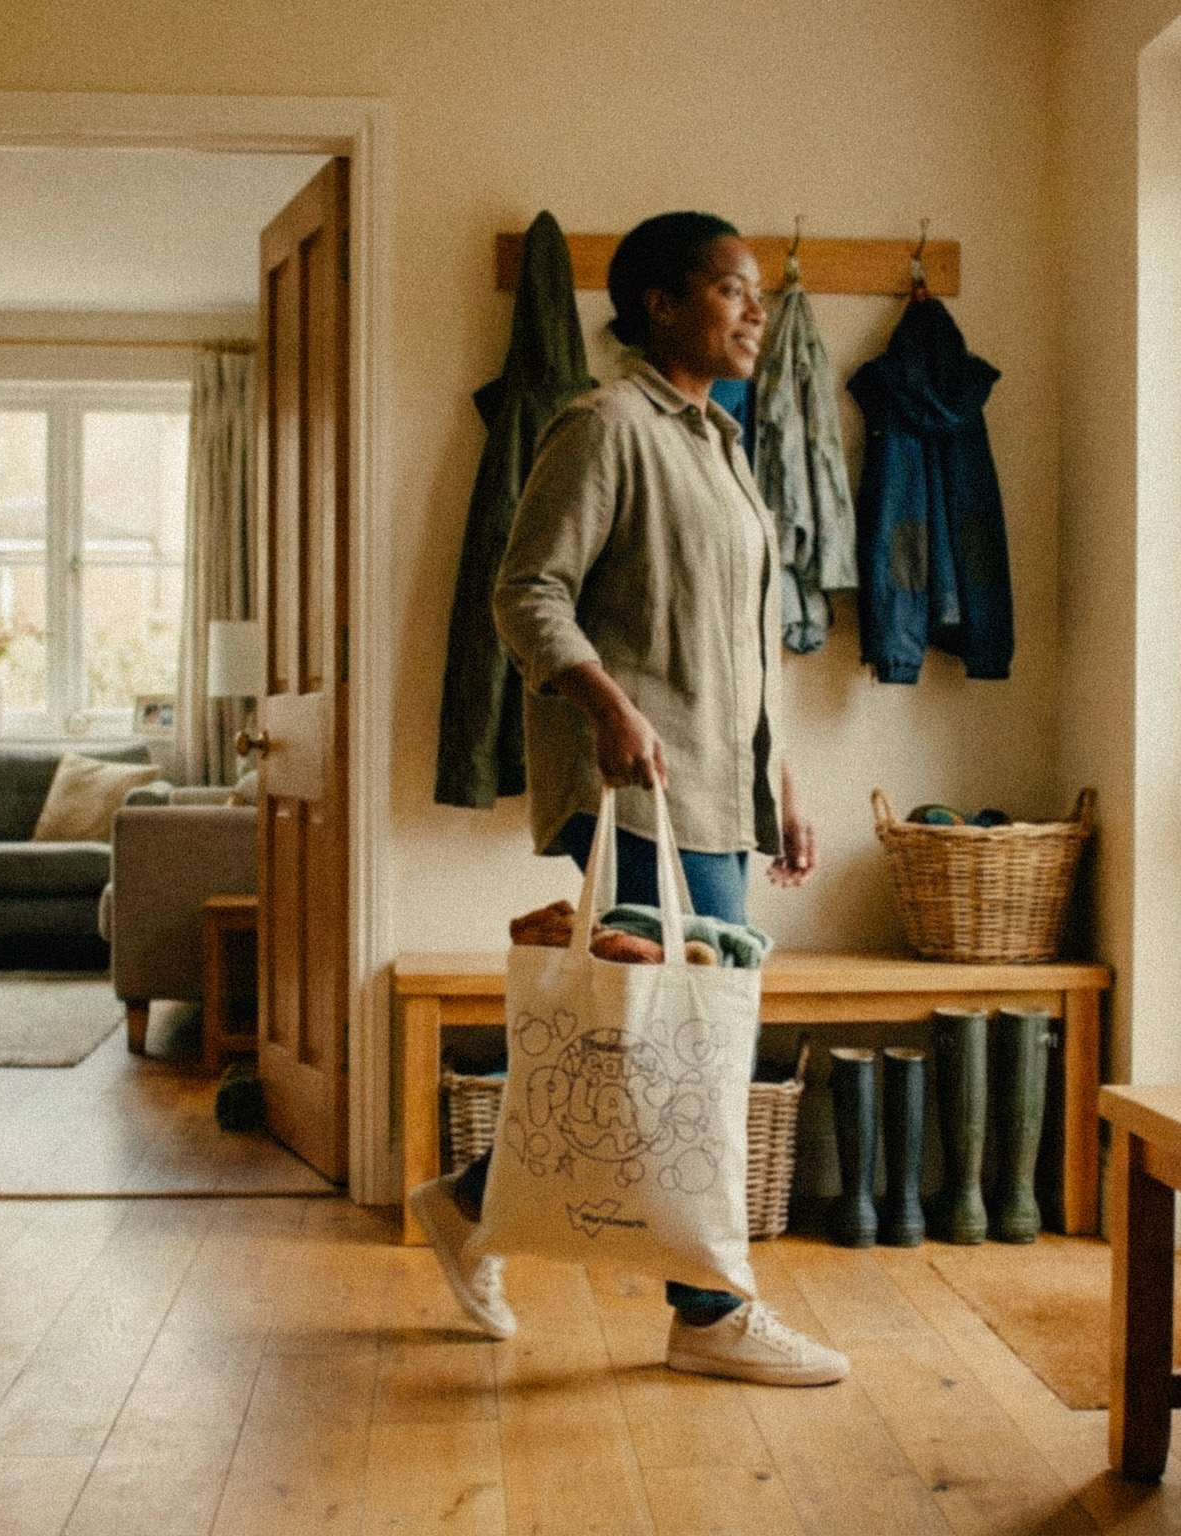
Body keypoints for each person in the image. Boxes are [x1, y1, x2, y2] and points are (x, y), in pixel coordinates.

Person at [408, 211, 849, 1388]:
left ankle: (466, 1204)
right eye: (731, 290)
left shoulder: (723, 445)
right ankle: (708, 1312)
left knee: (649, 1045)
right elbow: (527, 593)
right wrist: (606, 708)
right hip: (643, 787)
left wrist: (784, 785)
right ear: (658, 303)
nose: (754, 312)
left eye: (757, 295)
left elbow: (744, 647)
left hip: (720, 788)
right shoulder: (604, 424)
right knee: (693, 1056)